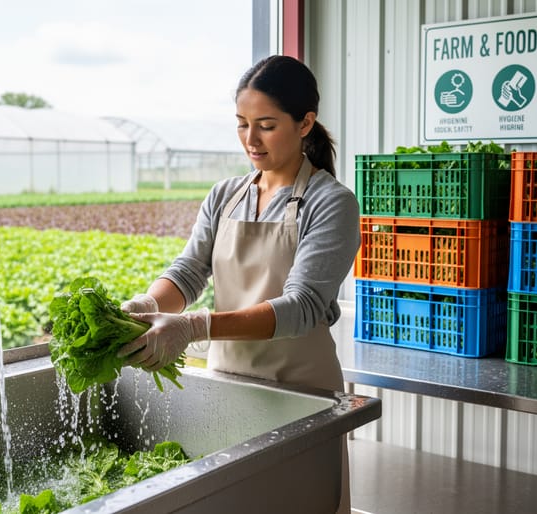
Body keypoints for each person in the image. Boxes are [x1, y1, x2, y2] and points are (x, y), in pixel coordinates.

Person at [116, 54, 359, 513]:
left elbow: (302, 306)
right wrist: (148, 303)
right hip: (228, 387)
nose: (251, 139)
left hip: (299, 395)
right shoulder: (226, 195)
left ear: (305, 123)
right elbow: (189, 270)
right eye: (242, 124)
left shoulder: (332, 203)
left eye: (266, 125)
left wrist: (192, 327)